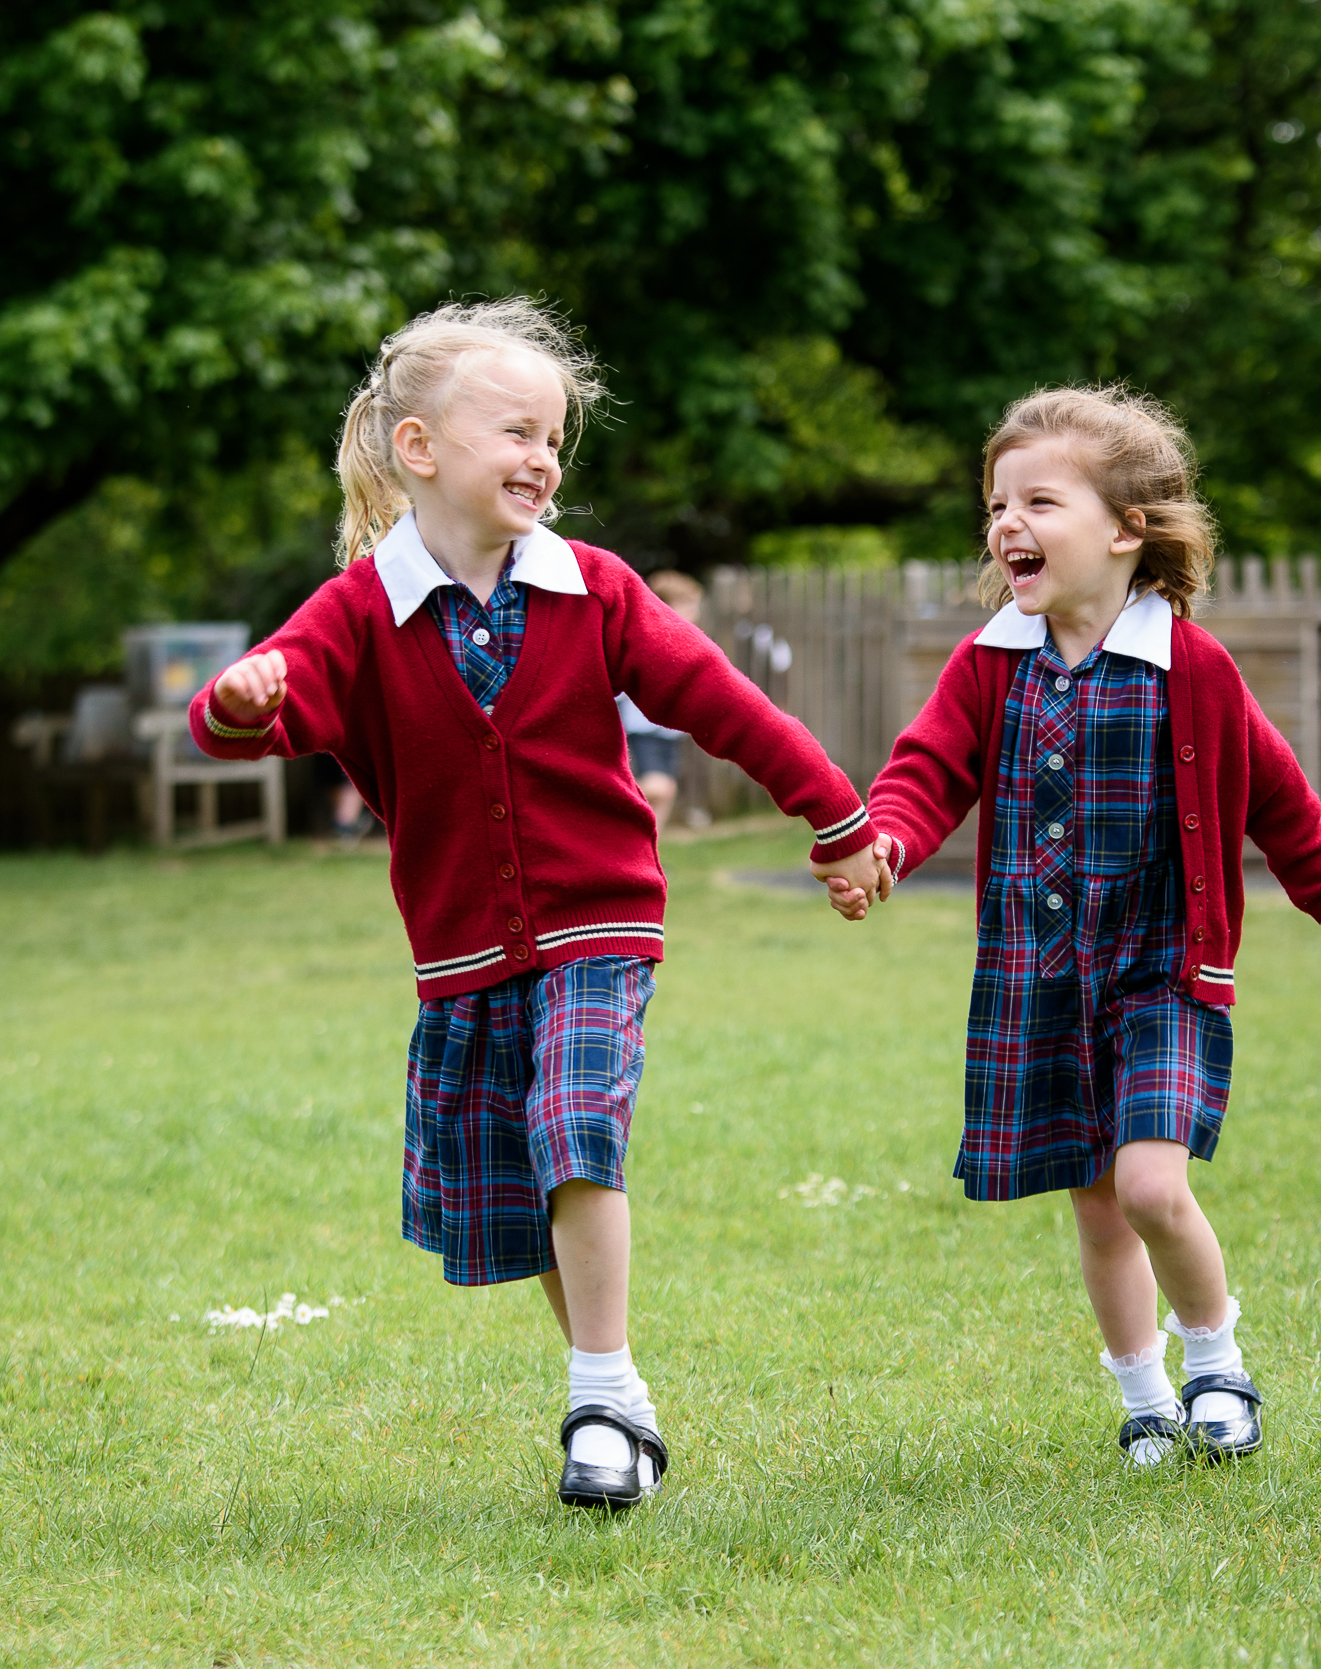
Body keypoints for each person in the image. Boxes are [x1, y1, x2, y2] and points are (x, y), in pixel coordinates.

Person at [189, 299, 887, 1510]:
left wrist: (834, 815)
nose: (542, 457)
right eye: (514, 429)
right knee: (523, 1183)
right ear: (419, 449)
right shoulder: (361, 608)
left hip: (598, 922)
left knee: (576, 1124)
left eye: (553, 436)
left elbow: (725, 706)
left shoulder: (596, 589)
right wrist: (243, 695)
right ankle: (612, 1391)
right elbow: (252, 714)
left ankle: (597, 1403)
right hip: (463, 946)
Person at [860, 386, 1321, 1468]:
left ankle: (1216, 1366)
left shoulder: (1189, 667)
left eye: (1039, 501)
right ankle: (1144, 1399)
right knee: (1098, 1209)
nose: (1007, 523)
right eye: (996, 504)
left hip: (1158, 971)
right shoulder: (988, 664)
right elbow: (925, 772)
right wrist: (885, 842)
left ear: (1124, 528)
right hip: (1037, 979)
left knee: (1152, 1184)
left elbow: (1273, 792)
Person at [617, 571, 707, 826]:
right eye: (688, 605)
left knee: (667, 793)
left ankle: (651, 852)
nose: (695, 612)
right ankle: (612, 803)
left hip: (667, 732)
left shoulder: (685, 639)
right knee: (659, 788)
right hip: (642, 727)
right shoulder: (651, 637)